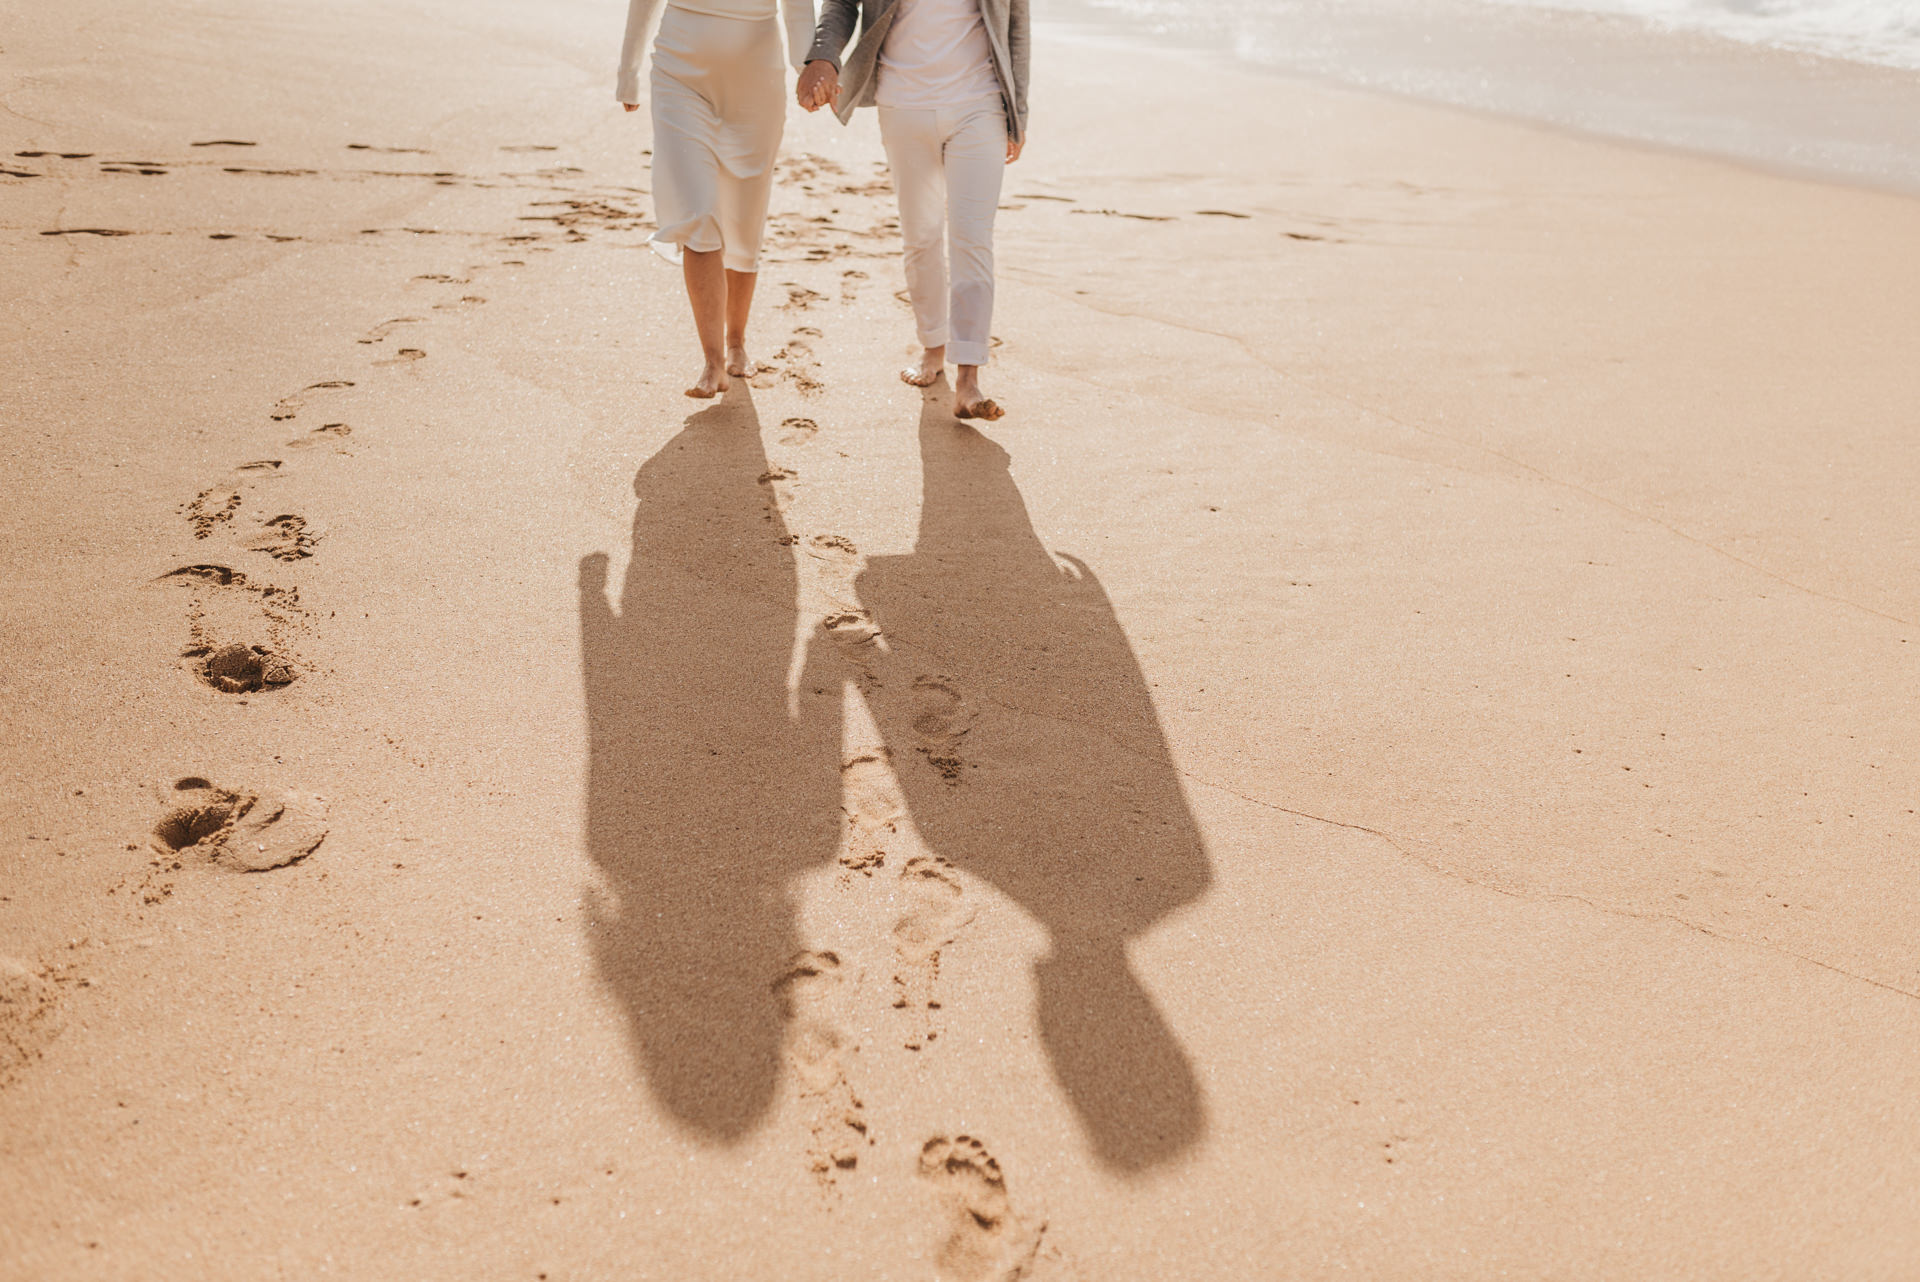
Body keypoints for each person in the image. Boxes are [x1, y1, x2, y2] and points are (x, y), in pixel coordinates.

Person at [794, 0, 1028, 420]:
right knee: (921, 235)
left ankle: (969, 380)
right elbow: (842, 5)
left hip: (980, 103)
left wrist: (1018, 112)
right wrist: (823, 56)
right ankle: (932, 346)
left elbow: (1016, 24)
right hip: (903, 103)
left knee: (972, 240)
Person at [618, 0, 816, 397]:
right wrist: (629, 71)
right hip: (679, 71)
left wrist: (806, 66)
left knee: (744, 217)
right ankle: (712, 363)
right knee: (698, 212)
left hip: (756, 78)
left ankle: (736, 341)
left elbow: (797, 4)